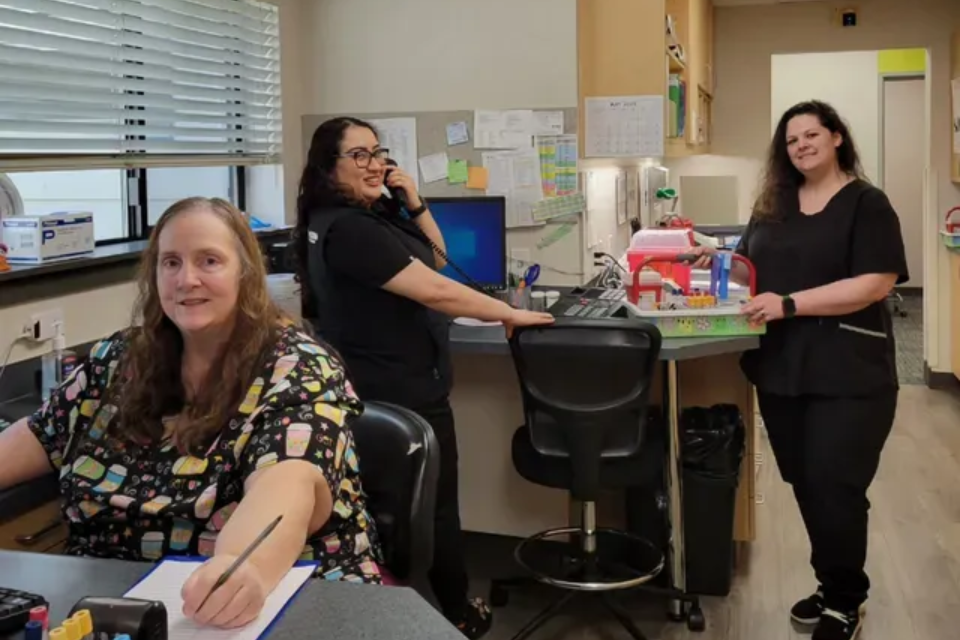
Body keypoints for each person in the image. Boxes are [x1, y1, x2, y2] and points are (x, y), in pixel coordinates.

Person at [0, 197, 383, 629]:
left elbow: (289, 482)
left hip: (268, 604)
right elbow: (38, 435)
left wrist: (241, 566)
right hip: (109, 608)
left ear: (245, 273)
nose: (187, 279)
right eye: (171, 262)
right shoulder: (117, 359)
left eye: (209, 261)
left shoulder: (297, 366)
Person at [293, 117, 554, 638]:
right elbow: (437, 292)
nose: (375, 164)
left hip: (384, 382)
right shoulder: (351, 229)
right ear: (329, 168)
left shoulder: (356, 217)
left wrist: (412, 201)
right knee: (433, 508)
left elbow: (437, 262)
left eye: (378, 153)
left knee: (407, 508)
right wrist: (509, 313)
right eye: (359, 156)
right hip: (400, 389)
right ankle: (455, 612)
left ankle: (408, 606)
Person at [692, 100, 907, 640]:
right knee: (806, 484)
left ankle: (844, 602)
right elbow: (749, 265)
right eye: (791, 140)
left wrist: (788, 303)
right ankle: (831, 582)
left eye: (812, 134)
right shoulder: (775, 204)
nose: (801, 146)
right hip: (784, 369)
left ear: (836, 138)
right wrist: (714, 257)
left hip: (850, 373)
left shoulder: (867, 203)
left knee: (836, 485)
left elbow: (876, 282)